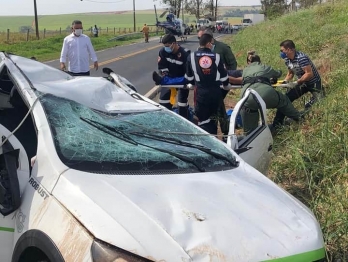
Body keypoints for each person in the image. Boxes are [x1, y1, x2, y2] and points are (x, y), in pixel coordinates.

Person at [240, 51, 301, 135]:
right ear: (259, 61)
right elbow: (278, 74)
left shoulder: (245, 70)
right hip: (265, 92)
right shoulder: (264, 67)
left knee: (250, 112)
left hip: (246, 96)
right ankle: (299, 118)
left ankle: (250, 136)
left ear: (248, 62)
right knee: (283, 101)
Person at [185, 33, 230, 135]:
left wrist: (192, 84)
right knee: (214, 118)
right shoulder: (216, 57)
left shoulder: (191, 57)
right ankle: (215, 137)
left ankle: (205, 141)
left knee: (202, 119)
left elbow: (189, 78)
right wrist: (227, 85)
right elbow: (224, 77)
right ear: (209, 44)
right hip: (215, 93)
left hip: (201, 93)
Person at [198, 27, 238, 138]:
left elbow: (232, 64)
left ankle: (224, 131)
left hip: (223, 81)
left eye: (202, 38)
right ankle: (220, 130)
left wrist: (227, 77)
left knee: (218, 105)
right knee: (216, 106)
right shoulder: (201, 50)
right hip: (210, 83)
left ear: (209, 39)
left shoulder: (222, 48)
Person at [278, 39, 324, 113]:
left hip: (313, 82)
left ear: (289, 49)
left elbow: (309, 74)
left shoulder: (301, 58)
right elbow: (290, 73)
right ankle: (287, 117)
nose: (281, 53)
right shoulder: (287, 60)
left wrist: (297, 82)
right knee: (286, 98)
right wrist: (285, 82)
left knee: (320, 102)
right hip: (302, 83)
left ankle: (314, 99)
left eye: (282, 50)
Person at [152, 34, 191, 119]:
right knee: (163, 102)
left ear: (174, 43)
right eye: (165, 46)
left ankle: (185, 121)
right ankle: (166, 121)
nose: (166, 48)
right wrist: (165, 76)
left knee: (182, 104)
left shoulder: (185, 54)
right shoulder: (163, 52)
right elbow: (162, 68)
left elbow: (188, 73)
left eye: (168, 46)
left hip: (182, 80)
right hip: (169, 78)